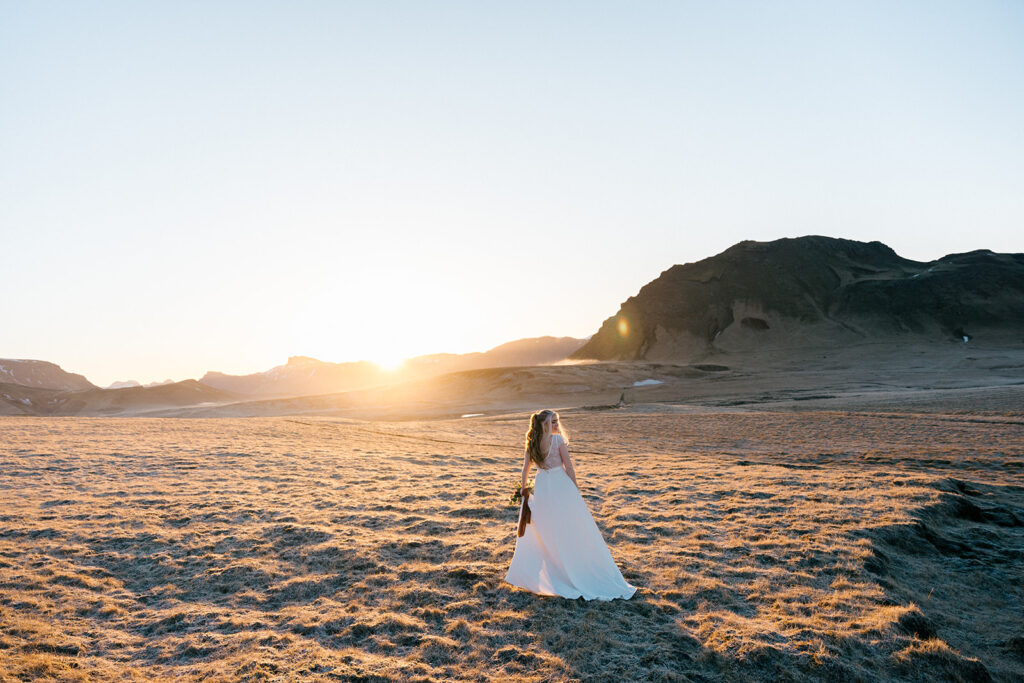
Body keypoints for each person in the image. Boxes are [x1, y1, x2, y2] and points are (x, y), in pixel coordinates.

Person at [504, 409, 637, 600]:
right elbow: (569, 467)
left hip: (542, 485)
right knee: (567, 525)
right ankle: (567, 564)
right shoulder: (557, 441)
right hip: (560, 485)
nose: (557, 425)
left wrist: (523, 490)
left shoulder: (531, 443)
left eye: (557, 421)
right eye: (554, 422)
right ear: (545, 425)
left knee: (549, 528)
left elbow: (525, 469)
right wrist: (575, 490)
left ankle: (557, 564)